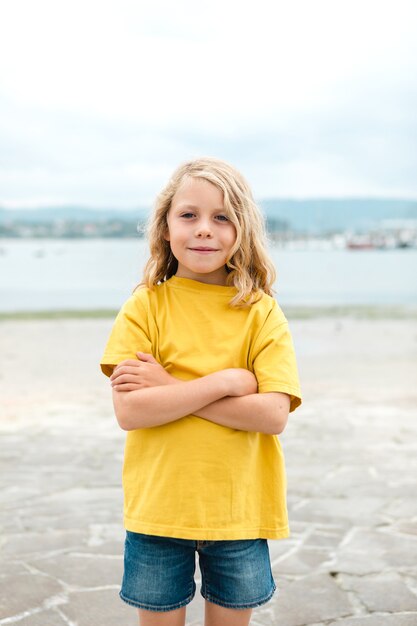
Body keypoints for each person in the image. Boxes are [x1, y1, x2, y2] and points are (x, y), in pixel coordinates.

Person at [100, 157, 302, 626]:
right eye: (189, 215)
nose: (204, 230)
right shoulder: (144, 306)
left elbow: (273, 415)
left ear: (242, 230)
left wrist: (170, 389)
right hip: (159, 509)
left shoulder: (261, 313)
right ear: (166, 226)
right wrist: (228, 383)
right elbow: (131, 411)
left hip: (239, 511)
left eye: (222, 217)